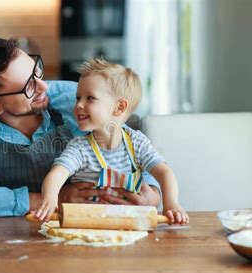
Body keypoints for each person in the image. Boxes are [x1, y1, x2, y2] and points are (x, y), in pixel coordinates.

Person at [0, 38, 162, 217]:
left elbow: (128, 144)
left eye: (37, 71)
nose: (44, 86)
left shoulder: (76, 100)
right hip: (10, 230)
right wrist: (54, 198)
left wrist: (152, 192)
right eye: (29, 86)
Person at [34, 59, 189, 225]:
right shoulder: (80, 147)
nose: (79, 105)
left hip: (131, 225)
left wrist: (171, 204)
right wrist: (50, 199)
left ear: (119, 107)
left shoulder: (136, 142)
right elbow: (57, 173)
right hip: (89, 225)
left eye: (90, 98)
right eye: (78, 98)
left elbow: (164, 173)